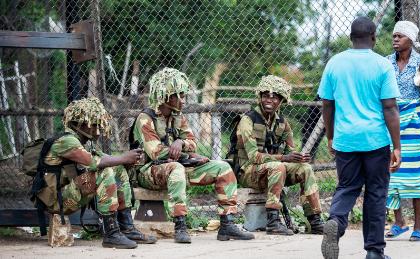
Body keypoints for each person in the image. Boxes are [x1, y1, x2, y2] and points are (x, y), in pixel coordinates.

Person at [131, 67, 255, 243]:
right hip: (149, 172)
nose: (183, 100)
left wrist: (180, 143)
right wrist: (188, 156)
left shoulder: (178, 117)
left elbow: (192, 142)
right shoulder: (146, 118)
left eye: (183, 95)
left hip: (178, 168)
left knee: (223, 168)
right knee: (176, 168)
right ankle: (180, 226)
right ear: (166, 96)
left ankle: (227, 225)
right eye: (179, 95)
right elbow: (156, 152)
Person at [318, 17, 402, 259]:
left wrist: (331, 137)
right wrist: (397, 146)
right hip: (375, 140)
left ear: (351, 38)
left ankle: (336, 221)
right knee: (376, 193)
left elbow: (327, 104)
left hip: (346, 139)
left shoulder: (335, 63)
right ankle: (375, 252)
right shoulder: (382, 65)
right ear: (374, 37)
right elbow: (389, 107)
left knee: (347, 186)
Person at [35, 97, 156, 249]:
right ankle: (111, 233)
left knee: (117, 169)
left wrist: (125, 159)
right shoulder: (67, 141)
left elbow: (104, 157)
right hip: (56, 202)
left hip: (67, 195)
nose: (98, 130)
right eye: (94, 124)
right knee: (104, 172)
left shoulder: (80, 140)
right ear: (81, 123)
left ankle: (127, 228)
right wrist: (124, 157)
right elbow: (94, 162)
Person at [234, 75, 324, 236]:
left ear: (281, 101)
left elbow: (290, 152)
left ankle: (315, 220)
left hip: (273, 170)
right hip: (248, 172)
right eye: (266, 96)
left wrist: (299, 158)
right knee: (279, 166)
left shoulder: (283, 123)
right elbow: (254, 157)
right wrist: (284, 158)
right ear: (260, 97)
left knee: (305, 168)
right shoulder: (247, 120)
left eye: (274, 97)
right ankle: (273, 221)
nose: (269, 100)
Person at [384, 21, 420, 242]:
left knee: (415, 173)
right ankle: (399, 221)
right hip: (391, 120)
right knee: (391, 171)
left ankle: (418, 226)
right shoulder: (386, 62)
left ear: (411, 40)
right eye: (394, 36)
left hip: (415, 122)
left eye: (400, 36)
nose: (395, 39)